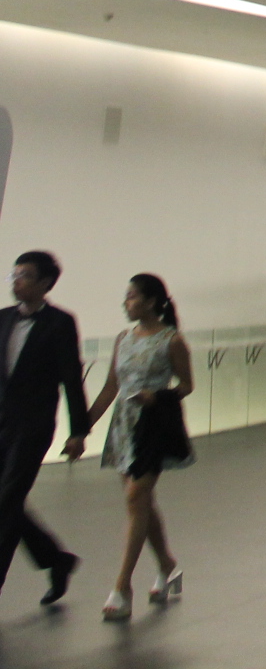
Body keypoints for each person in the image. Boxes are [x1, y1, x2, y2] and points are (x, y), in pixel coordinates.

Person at [90, 275, 192, 620]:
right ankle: (168, 566)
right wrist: (83, 426)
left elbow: (186, 385)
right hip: (124, 426)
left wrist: (157, 396)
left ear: (150, 301)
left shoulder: (172, 340)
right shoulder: (123, 339)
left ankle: (122, 587)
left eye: (132, 297)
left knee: (136, 498)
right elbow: (111, 386)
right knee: (142, 503)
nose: (126, 303)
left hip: (153, 426)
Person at [0, 252, 90, 609]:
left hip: (33, 426)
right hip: (1, 422)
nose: (15, 281)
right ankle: (55, 559)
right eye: (14, 274)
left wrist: (78, 431)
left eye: (24, 275)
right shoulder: (2, 318)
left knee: (6, 503)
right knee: (7, 503)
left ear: (45, 283)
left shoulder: (60, 323)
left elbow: (71, 377)